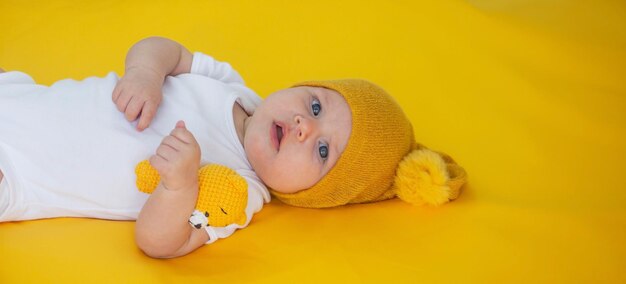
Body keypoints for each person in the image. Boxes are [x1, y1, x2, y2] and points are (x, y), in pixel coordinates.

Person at [0, 37, 467, 258]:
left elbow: (159, 243)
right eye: (316, 105)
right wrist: (146, 73)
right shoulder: (229, 85)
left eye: (324, 152)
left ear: (312, 195)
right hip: (16, 96)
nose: (305, 127)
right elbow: (161, 47)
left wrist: (179, 185)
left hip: (18, 173)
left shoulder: (238, 192)